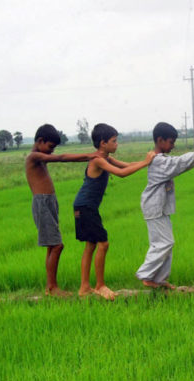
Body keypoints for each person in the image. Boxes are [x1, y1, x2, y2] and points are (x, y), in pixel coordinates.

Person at [74, 123, 156, 300]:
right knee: (103, 244)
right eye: (114, 141)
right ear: (103, 143)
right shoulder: (98, 160)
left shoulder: (106, 158)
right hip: (86, 206)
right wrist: (146, 162)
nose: (117, 144)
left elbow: (127, 165)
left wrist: (149, 161)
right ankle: (100, 285)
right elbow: (122, 173)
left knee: (91, 245)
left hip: (84, 206)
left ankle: (84, 288)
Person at [136, 122, 194, 289]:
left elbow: (177, 162)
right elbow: (181, 163)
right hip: (154, 207)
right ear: (160, 140)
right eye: (171, 142)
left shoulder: (160, 158)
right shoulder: (158, 161)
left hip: (159, 207)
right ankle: (146, 275)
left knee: (166, 242)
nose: (173, 146)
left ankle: (159, 280)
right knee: (164, 243)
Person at [25, 123, 99, 297]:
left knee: (52, 246)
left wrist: (89, 157)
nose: (51, 151)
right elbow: (62, 158)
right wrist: (89, 155)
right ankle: (52, 287)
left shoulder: (40, 156)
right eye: (50, 147)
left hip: (49, 202)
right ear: (40, 141)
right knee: (57, 245)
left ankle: (50, 287)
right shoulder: (33, 156)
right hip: (42, 203)